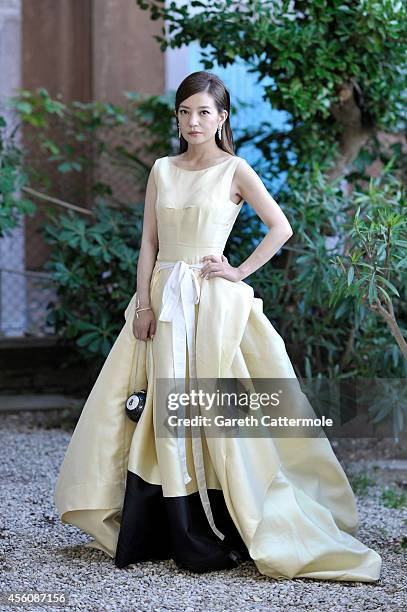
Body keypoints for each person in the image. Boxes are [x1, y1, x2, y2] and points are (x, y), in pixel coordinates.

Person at [54, 71, 382, 582]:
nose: (193, 121)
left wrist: (237, 272)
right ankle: (164, 526)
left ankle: (228, 519)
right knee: (156, 401)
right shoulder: (162, 169)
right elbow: (148, 244)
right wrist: (142, 305)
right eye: (185, 112)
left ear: (222, 117)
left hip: (211, 302)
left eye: (204, 112)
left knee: (217, 402)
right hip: (161, 299)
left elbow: (281, 226)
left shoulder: (235, 170)